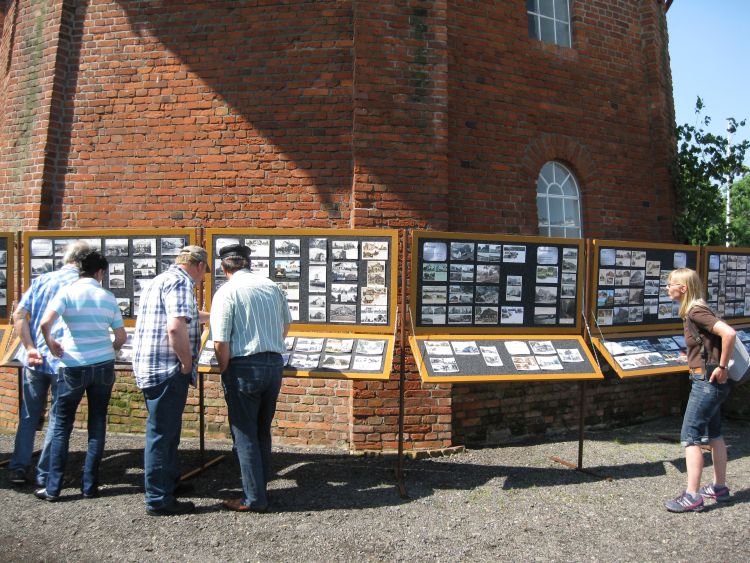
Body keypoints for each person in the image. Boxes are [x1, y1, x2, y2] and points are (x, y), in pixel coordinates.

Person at [35, 250, 126, 501]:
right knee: (97, 423)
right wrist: (110, 349)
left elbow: (45, 323)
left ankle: (53, 487)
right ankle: (89, 486)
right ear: (100, 272)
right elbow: (121, 336)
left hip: (72, 364)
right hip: (103, 365)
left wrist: (51, 343)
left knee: (62, 425)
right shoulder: (107, 296)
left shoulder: (67, 293)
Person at [210, 243, 291, 513]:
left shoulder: (227, 291)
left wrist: (224, 369)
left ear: (224, 267)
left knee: (244, 433)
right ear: (247, 263)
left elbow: (220, 341)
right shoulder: (271, 286)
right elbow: (285, 326)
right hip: (273, 364)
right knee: (262, 430)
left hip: (243, 366)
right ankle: (260, 486)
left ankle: (254, 498)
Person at [132, 245, 210, 516]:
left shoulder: (160, 280)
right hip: (167, 369)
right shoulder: (181, 282)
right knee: (162, 434)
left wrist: (214, 316)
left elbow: (187, 315)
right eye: (203, 273)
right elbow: (176, 327)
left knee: (168, 430)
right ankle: (158, 498)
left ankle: (170, 481)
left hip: (151, 367)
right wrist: (186, 362)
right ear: (199, 266)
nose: (202, 278)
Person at [6, 240, 90, 487]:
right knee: (58, 418)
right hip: (65, 360)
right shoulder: (82, 284)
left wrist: (30, 347)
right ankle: (45, 474)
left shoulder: (42, 280)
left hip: (35, 359)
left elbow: (19, 315)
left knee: (29, 415)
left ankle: (18, 467)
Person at [664, 267, 736, 513]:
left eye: (670, 284)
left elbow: (728, 333)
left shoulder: (695, 311)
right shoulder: (697, 310)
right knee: (714, 434)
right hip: (710, 382)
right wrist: (691, 355)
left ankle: (692, 496)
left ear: (683, 288)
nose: (667, 288)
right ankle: (719, 487)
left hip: (706, 383)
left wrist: (722, 367)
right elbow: (708, 342)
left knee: (691, 437)